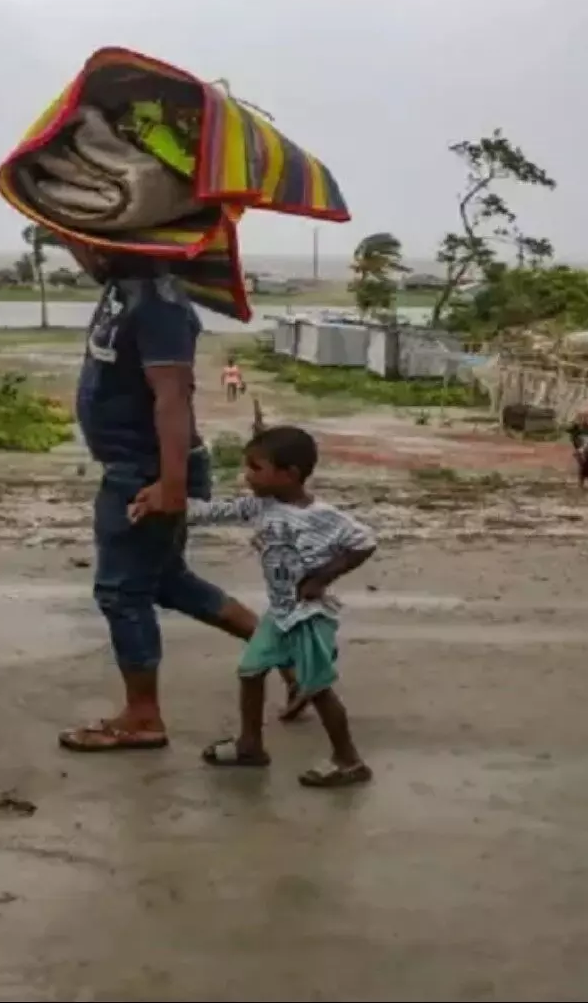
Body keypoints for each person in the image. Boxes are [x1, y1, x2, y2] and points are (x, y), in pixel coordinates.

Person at [59, 244, 277, 752]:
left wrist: (171, 486)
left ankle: (142, 717)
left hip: (147, 471)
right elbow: (93, 260)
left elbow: (172, 397)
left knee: (122, 592)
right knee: (168, 582)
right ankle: (287, 654)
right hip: (134, 465)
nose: (84, 249)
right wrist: (64, 224)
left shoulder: (160, 304)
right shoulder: (124, 285)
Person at [167, 425, 378, 787]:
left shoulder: (321, 515)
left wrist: (322, 578)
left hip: (308, 617)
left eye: (255, 468)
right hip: (280, 614)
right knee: (250, 671)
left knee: (318, 688)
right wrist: (171, 502)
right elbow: (216, 512)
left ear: (290, 474)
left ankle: (349, 761)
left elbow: (364, 542)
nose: (247, 476)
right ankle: (250, 745)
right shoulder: (262, 505)